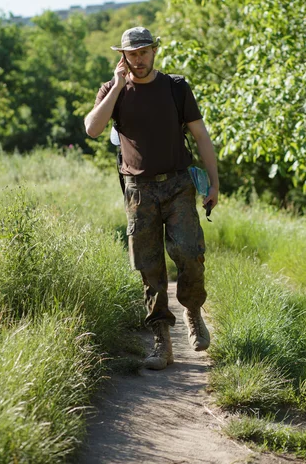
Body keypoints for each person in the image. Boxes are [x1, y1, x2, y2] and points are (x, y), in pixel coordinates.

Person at [84, 27, 219, 370]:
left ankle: (192, 310)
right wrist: (116, 86)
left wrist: (214, 183)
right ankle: (161, 341)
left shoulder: (175, 87)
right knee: (149, 267)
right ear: (123, 56)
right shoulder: (113, 91)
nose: (139, 59)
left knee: (190, 253)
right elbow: (92, 129)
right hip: (139, 192)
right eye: (132, 53)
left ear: (155, 51)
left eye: (144, 51)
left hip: (178, 185)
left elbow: (201, 136)